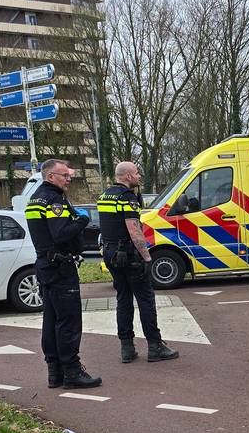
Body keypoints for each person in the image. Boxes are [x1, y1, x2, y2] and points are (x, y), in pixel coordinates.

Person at [26, 159, 102, 390]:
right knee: (68, 321)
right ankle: (72, 371)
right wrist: (82, 220)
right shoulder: (54, 200)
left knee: (51, 321)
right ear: (50, 177)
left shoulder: (35, 199)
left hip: (45, 266)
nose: (68, 179)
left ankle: (54, 372)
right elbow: (60, 233)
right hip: (60, 268)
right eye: (64, 175)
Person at [97, 161, 179, 364]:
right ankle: (155, 346)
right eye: (136, 173)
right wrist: (147, 256)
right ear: (126, 176)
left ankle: (126, 347)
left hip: (111, 254)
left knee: (123, 299)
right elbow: (134, 230)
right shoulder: (127, 198)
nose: (139, 176)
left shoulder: (105, 196)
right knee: (145, 300)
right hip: (129, 256)